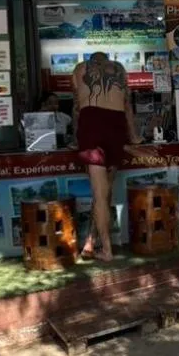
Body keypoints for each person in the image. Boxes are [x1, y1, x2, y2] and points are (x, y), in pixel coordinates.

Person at [72, 51, 139, 262]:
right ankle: (91, 242)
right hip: (116, 124)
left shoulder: (80, 69)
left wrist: (77, 137)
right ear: (107, 60)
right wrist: (135, 136)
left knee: (99, 193)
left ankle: (107, 250)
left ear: (91, 61)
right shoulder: (118, 69)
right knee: (105, 191)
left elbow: (76, 107)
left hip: (91, 122)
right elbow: (127, 105)